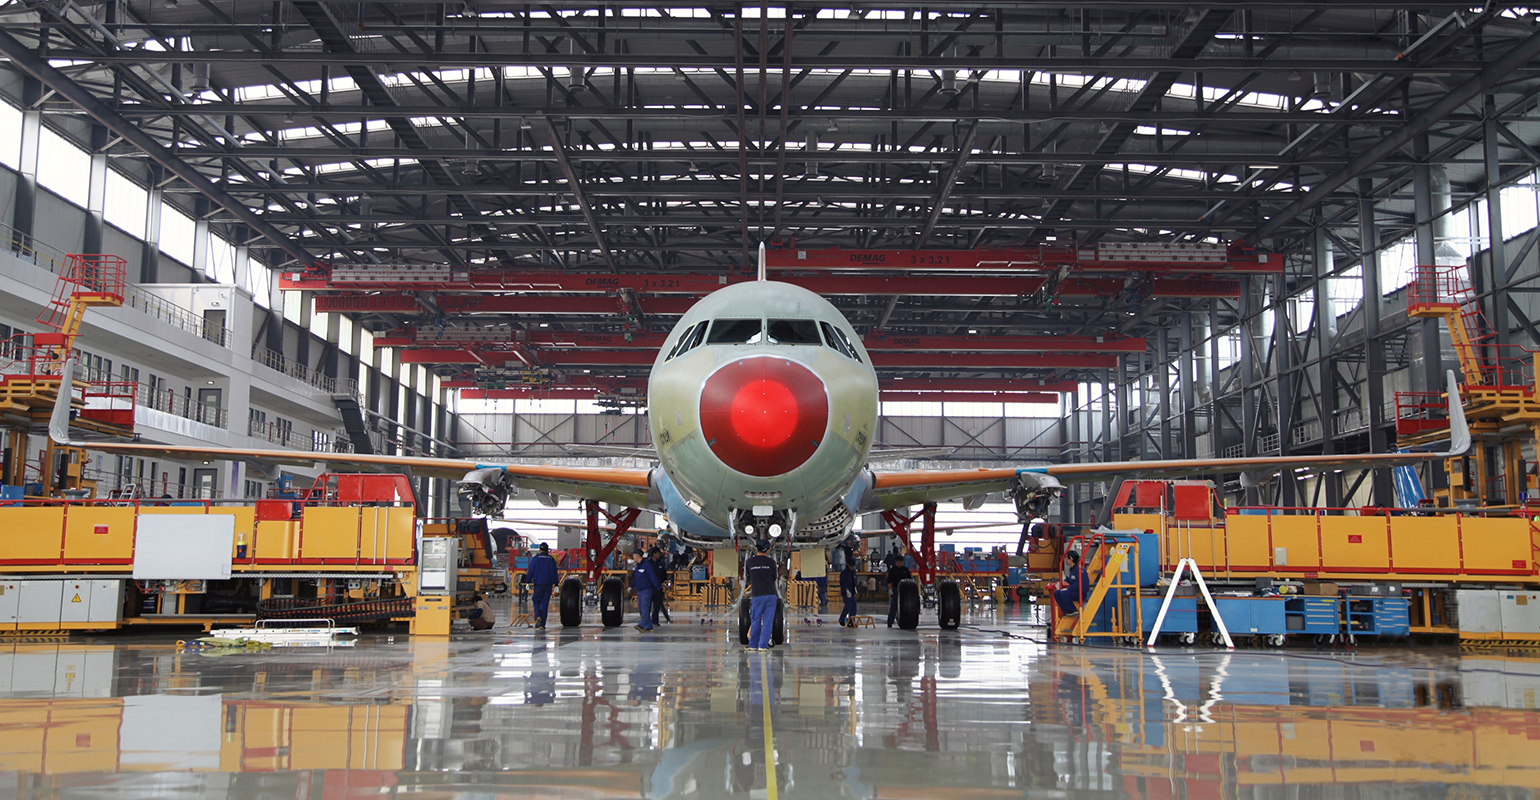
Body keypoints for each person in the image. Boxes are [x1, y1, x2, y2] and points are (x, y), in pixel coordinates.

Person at [745, 539, 778, 651]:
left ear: (756, 549)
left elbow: (748, 577)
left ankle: (753, 645)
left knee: (755, 620)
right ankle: (763, 646)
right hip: (770, 595)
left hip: (757, 595)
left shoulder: (750, 562)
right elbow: (774, 577)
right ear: (768, 550)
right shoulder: (771, 563)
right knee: (768, 621)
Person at [525, 542, 559, 629]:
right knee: (545, 603)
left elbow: (531, 571)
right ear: (547, 550)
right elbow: (555, 572)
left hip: (538, 584)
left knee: (536, 600)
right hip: (548, 585)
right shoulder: (551, 559)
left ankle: (537, 616)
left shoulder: (536, 559)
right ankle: (542, 625)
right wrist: (556, 584)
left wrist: (528, 582)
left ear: (540, 550)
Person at [1053, 550, 1090, 617]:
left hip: (1080, 593)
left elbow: (1080, 583)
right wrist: (1065, 578)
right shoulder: (1072, 569)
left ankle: (1073, 610)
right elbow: (1072, 580)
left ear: (1071, 559)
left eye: (1067, 558)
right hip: (1074, 591)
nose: (1066, 560)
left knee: (1063, 593)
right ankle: (1067, 611)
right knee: (1056, 593)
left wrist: (1068, 589)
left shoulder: (1079, 570)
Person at [632, 548, 662, 632]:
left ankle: (642, 625)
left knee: (645, 608)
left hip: (646, 590)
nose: (633, 559)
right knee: (641, 609)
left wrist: (658, 587)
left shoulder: (647, 565)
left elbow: (652, 577)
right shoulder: (638, 567)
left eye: (633, 557)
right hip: (639, 590)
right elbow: (636, 578)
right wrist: (631, 586)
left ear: (637, 556)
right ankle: (649, 625)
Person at [885, 553, 912, 628]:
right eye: (898, 562)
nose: (899, 564)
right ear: (895, 562)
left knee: (905, 606)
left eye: (900, 562)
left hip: (905, 590)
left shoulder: (905, 570)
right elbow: (889, 581)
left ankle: (904, 621)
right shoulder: (892, 570)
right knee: (894, 606)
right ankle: (890, 621)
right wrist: (890, 590)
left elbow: (910, 580)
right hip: (895, 589)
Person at [649, 547, 672, 623]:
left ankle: (655, 621)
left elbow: (663, 575)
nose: (659, 555)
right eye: (658, 553)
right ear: (654, 554)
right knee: (648, 605)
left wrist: (663, 584)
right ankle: (646, 620)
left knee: (657, 605)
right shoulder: (648, 564)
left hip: (658, 588)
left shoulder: (661, 564)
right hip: (650, 587)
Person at [838, 559, 858, 627]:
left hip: (852, 592)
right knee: (848, 605)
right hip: (846, 592)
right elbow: (843, 582)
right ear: (848, 565)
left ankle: (851, 621)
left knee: (854, 607)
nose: (852, 567)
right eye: (851, 566)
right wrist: (846, 590)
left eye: (853, 566)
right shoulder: (844, 573)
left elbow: (854, 581)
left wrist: (855, 588)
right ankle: (842, 619)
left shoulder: (853, 572)